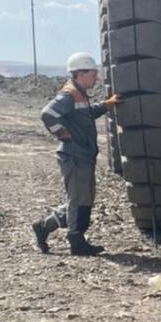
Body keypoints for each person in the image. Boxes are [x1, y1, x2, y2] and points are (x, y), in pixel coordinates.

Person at [32, 52, 121, 256]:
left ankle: (44, 227)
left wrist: (107, 105)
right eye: (92, 74)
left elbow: (86, 115)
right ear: (80, 74)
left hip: (83, 156)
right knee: (78, 200)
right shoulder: (68, 95)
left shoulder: (79, 94)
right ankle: (76, 241)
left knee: (82, 199)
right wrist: (62, 133)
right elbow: (47, 114)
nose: (96, 78)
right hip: (74, 156)